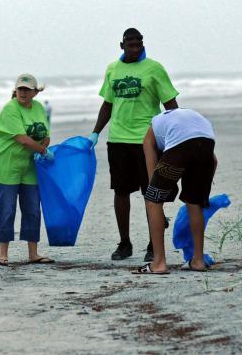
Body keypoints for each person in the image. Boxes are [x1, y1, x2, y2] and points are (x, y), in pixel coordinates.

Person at [89, 28, 179, 262]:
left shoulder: (154, 68)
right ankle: (125, 243)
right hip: (118, 139)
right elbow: (108, 104)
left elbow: (171, 105)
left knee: (150, 192)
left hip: (147, 140)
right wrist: (95, 133)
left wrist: (175, 136)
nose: (135, 47)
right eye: (130, 44)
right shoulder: (113, 69)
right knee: (120, 192)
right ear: (122, 45)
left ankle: (153, 244)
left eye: (139, 43)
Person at [134, 108, 217, 274]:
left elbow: (152, 180)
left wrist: (157, 196)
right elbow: (213, 160)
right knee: (195, 203)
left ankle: (158, 263)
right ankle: (198, 260)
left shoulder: (150, 135)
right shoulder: (178, 118)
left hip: (180, 147)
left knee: (152, 200)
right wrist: (201, 193)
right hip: (207, 143)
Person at [0, 74, 55, 266]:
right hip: (6, 165)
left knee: (33, 209)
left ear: (35, 91)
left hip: (29, 166)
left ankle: (33, 254)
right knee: (7, 209)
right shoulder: (10, 109)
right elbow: (22, 138)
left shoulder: (39, 108)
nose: (23, 93)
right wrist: (42, 150)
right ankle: (3, 254)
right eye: (20, 89)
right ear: (15, 90)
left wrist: (44, 144)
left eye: (27, 89)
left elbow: (45, 134)